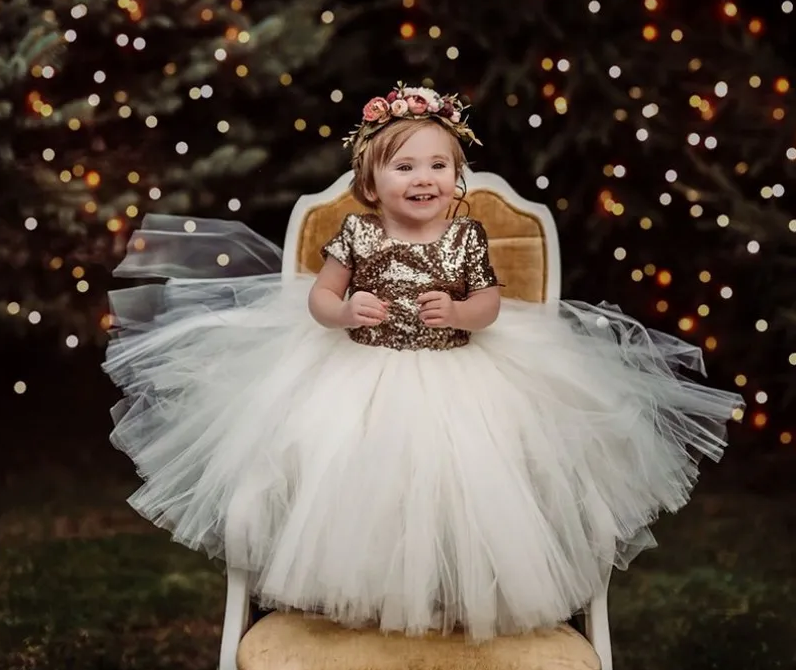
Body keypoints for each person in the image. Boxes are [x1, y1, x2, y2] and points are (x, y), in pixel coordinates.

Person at [104, 82, 744, 641]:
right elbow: (321, 296)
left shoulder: (466, 236)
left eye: (439, 165)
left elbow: (491, 301)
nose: (423, 179)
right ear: (370, 182)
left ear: (456, 177)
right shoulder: (357, 233)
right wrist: (346, 309)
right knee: (357, 471)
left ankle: (460, 588)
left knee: (469, 474)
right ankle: (369, 586)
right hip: (363, 367)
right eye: (404, 166)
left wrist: (463, 315)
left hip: (459, 369)